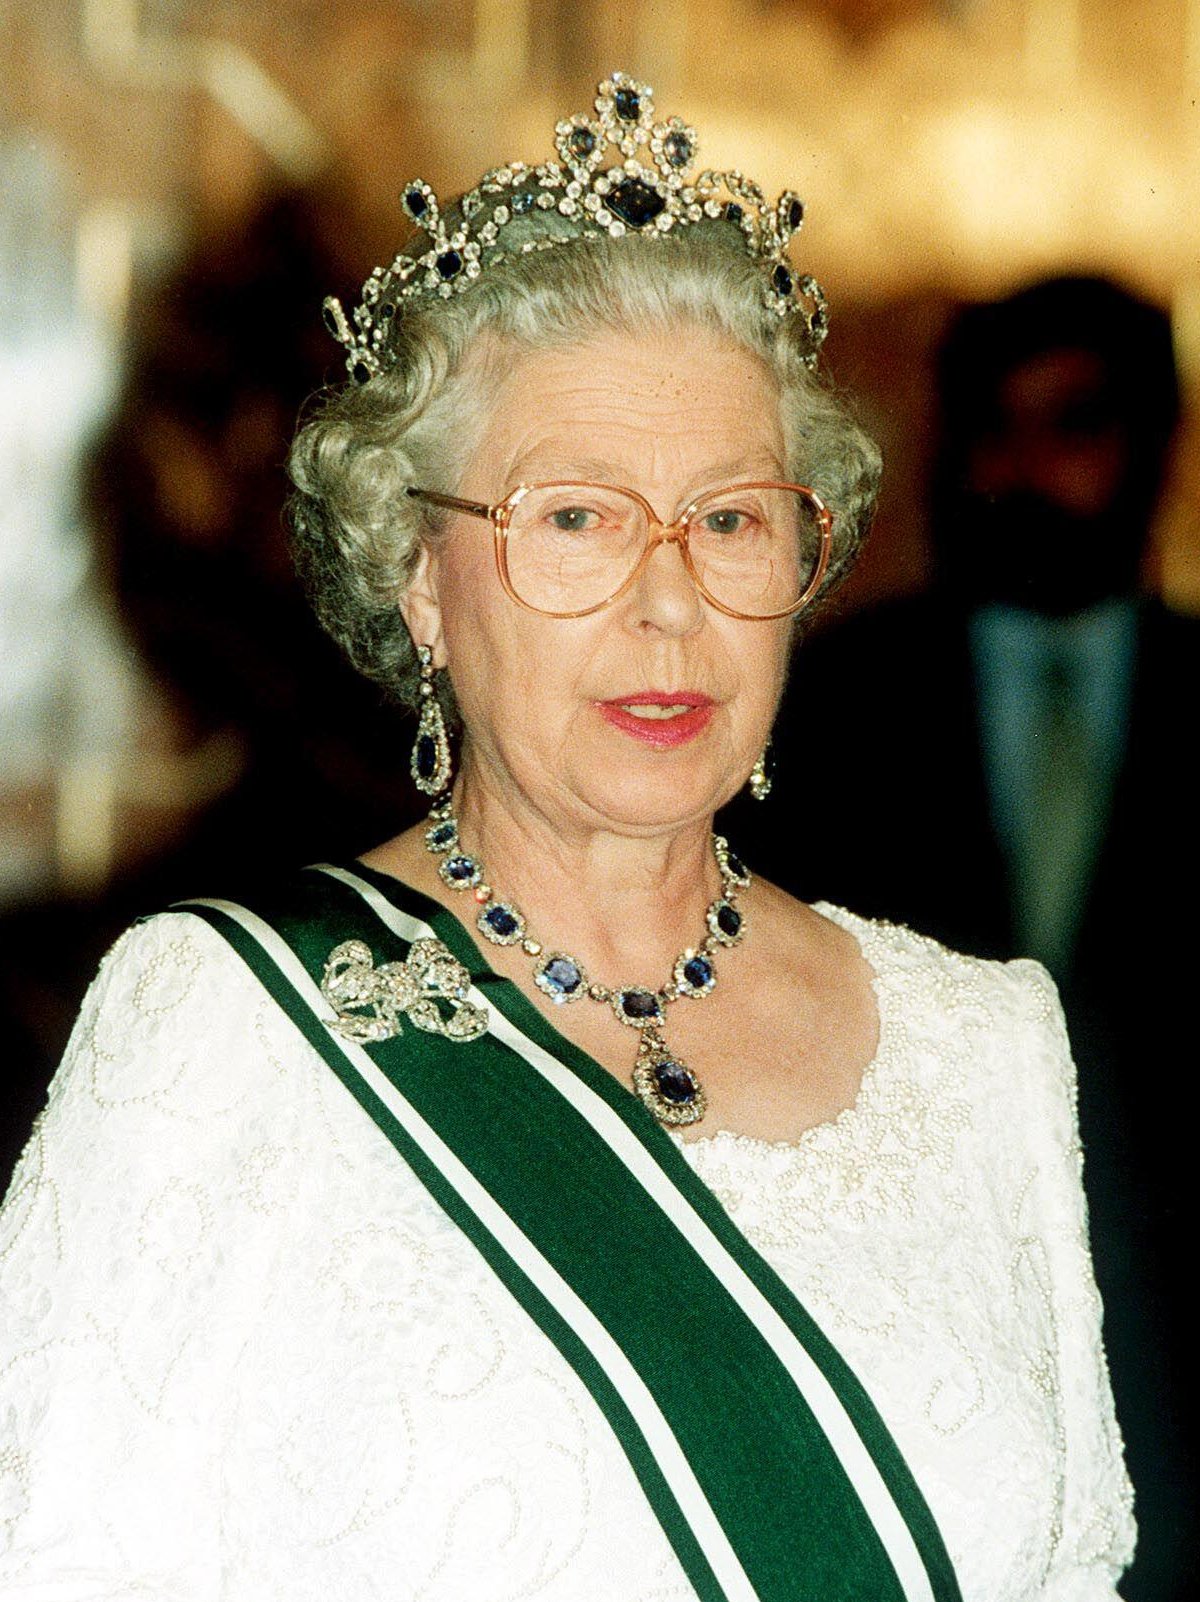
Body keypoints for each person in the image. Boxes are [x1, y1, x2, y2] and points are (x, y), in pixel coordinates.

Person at [0, 76, 1133, 1601]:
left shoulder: (986, 1048)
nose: (669, 605)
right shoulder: (219, 1029)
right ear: (419, 576)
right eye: (577, 519)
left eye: (729, 519)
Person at [726, 275, 1195, 1599]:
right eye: (993, 429)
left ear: (1158, 446)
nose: (1024, 470)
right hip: (900, 1358)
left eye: (1074, 426)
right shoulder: (825, 709)